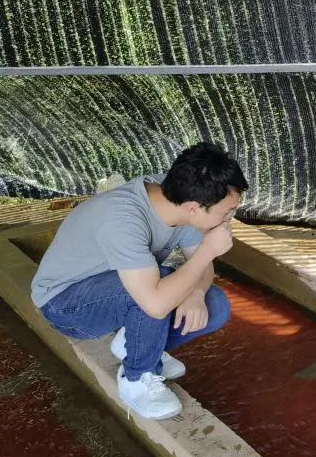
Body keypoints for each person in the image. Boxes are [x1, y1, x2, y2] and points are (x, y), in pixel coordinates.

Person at [31, 142, 247, 420]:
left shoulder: (176, 197)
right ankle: (136, 377)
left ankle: (132, 342)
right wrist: (207, 250)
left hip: (123, 289)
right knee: (161, 289)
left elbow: (202, 271)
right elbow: (156, 303)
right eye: (225, 212)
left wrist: (195, 296)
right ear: (196, 208)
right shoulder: (122, 219)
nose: (229, 219)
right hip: (66, 305)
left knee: (214, 303)